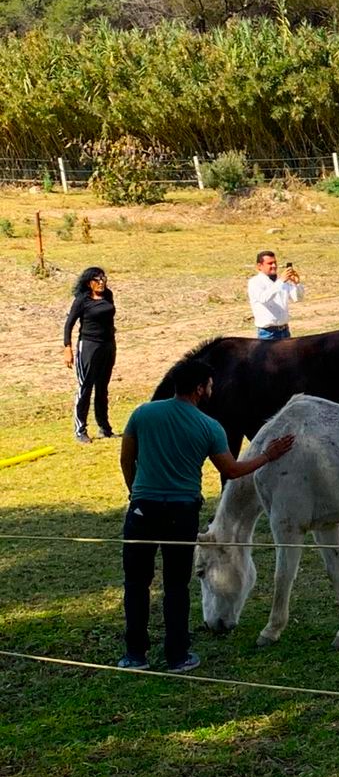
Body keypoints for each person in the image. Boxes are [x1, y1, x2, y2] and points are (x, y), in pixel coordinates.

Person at [117, 358, 295, 672]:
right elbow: (232, 470)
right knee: (175, 585)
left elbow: (127, 458)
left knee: (135, 583)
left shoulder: (142, 413)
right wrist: (268, 455)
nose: (211, 389)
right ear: (200, 388)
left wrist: (136, 492)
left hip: (142, 509)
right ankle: (176, 654)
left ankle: (135, 654)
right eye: (210, 384)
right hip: (181, 512)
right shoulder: (208, 426)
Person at [62, 266, 117, 445]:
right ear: (89, 283)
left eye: (103, 278)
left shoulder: (108, 295)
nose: (101, 282)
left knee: (102, 387)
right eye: (97, 279)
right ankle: (80, 430)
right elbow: (69, 324)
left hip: (107, 346)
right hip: (89, 346)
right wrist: (67, 348)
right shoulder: (82, 300)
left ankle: (105, 427)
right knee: (85, 387)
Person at [248, 250, 303, 340]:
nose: (274, 266)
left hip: (285, 331)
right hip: (268, 333)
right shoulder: (255, 282)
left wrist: (296, 284)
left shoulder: (281, 281)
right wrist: (280, 281)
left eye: (275, 263)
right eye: (270, 263)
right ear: (259, 266)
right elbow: (264, 298)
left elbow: (298, 298)